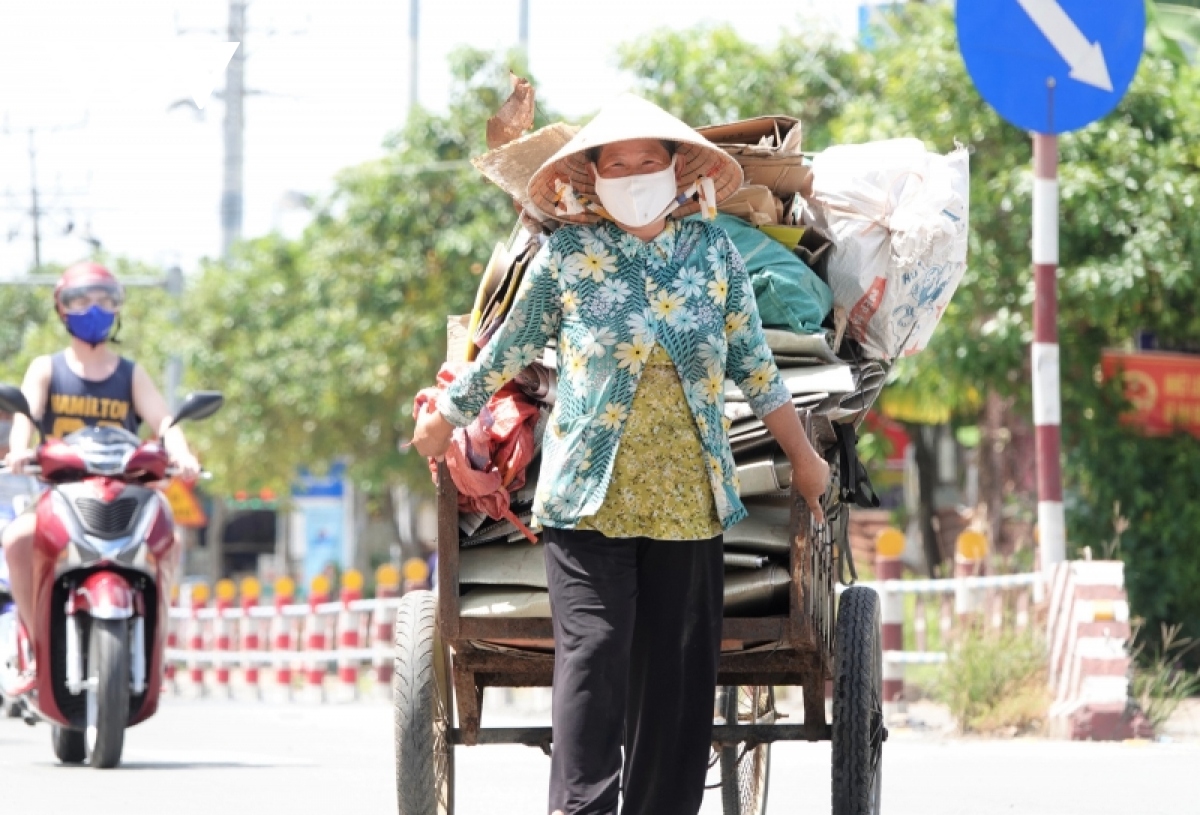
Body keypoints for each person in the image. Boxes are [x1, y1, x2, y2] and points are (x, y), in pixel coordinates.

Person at [412, 94, 830, 815]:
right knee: (594, 657)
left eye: (648, 161)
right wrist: (446, 416)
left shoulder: (715, 253)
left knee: (676, 684)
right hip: (585, 501)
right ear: (594, 179)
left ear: (676, 172)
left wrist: (804, 457)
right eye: (617, 163)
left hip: (689, 505)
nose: (634, 173)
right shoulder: (566, 257)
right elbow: (505, 349)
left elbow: (756, 369)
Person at [0, 261, 201, 692]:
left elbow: (165, 421)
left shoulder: (131, 374)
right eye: (82, 300)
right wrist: (19, 450)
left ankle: (154, 648)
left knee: (171, 538)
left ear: (118, 309)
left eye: (105, 300)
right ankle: (34, 647)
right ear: (62, 310)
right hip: (61, 497)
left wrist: (181, 455)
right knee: (17, 538)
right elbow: (26, 416)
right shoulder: (47, 369)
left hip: (124, 500)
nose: (94, 308)